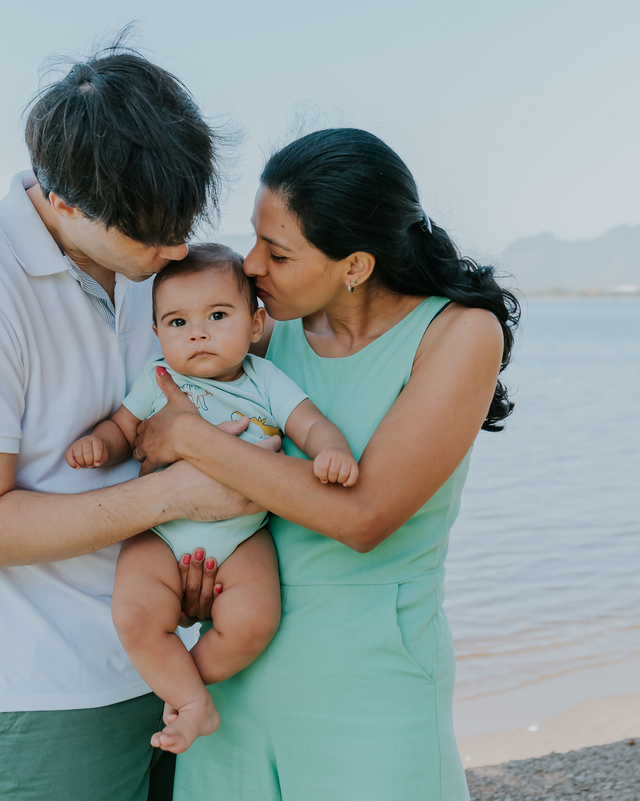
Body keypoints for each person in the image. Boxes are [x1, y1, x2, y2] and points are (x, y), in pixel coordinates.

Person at [0, 44, 251, 801]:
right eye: (153, 235)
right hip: (50, 686)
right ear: (62, 202)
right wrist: (179, 497)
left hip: (171, 650)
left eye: (184, 223)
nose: (178, 250)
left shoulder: (149, 264)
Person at [133, 128, 520, 800]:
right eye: (254, 240)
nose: (250, 265)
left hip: (372, 684)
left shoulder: (457, 333)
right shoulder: (261, 330)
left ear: (355, 265)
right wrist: (191, 574)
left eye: (277, 252)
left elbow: (362, 515)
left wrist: (192, 439)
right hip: (234, 673)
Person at [66, 244, 359, 755]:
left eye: (217, 316)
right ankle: (190, 700)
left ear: (254, 324)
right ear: (157, 334)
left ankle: (187, 689)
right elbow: (124, 426)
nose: (197, 333)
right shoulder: (159, 378)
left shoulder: (263, 379)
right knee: (135, 615)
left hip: (242, 536)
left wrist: (330, 449)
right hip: (159, 534)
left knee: (252, 624)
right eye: (177, 323)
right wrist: (102, 444)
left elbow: (306, 421)